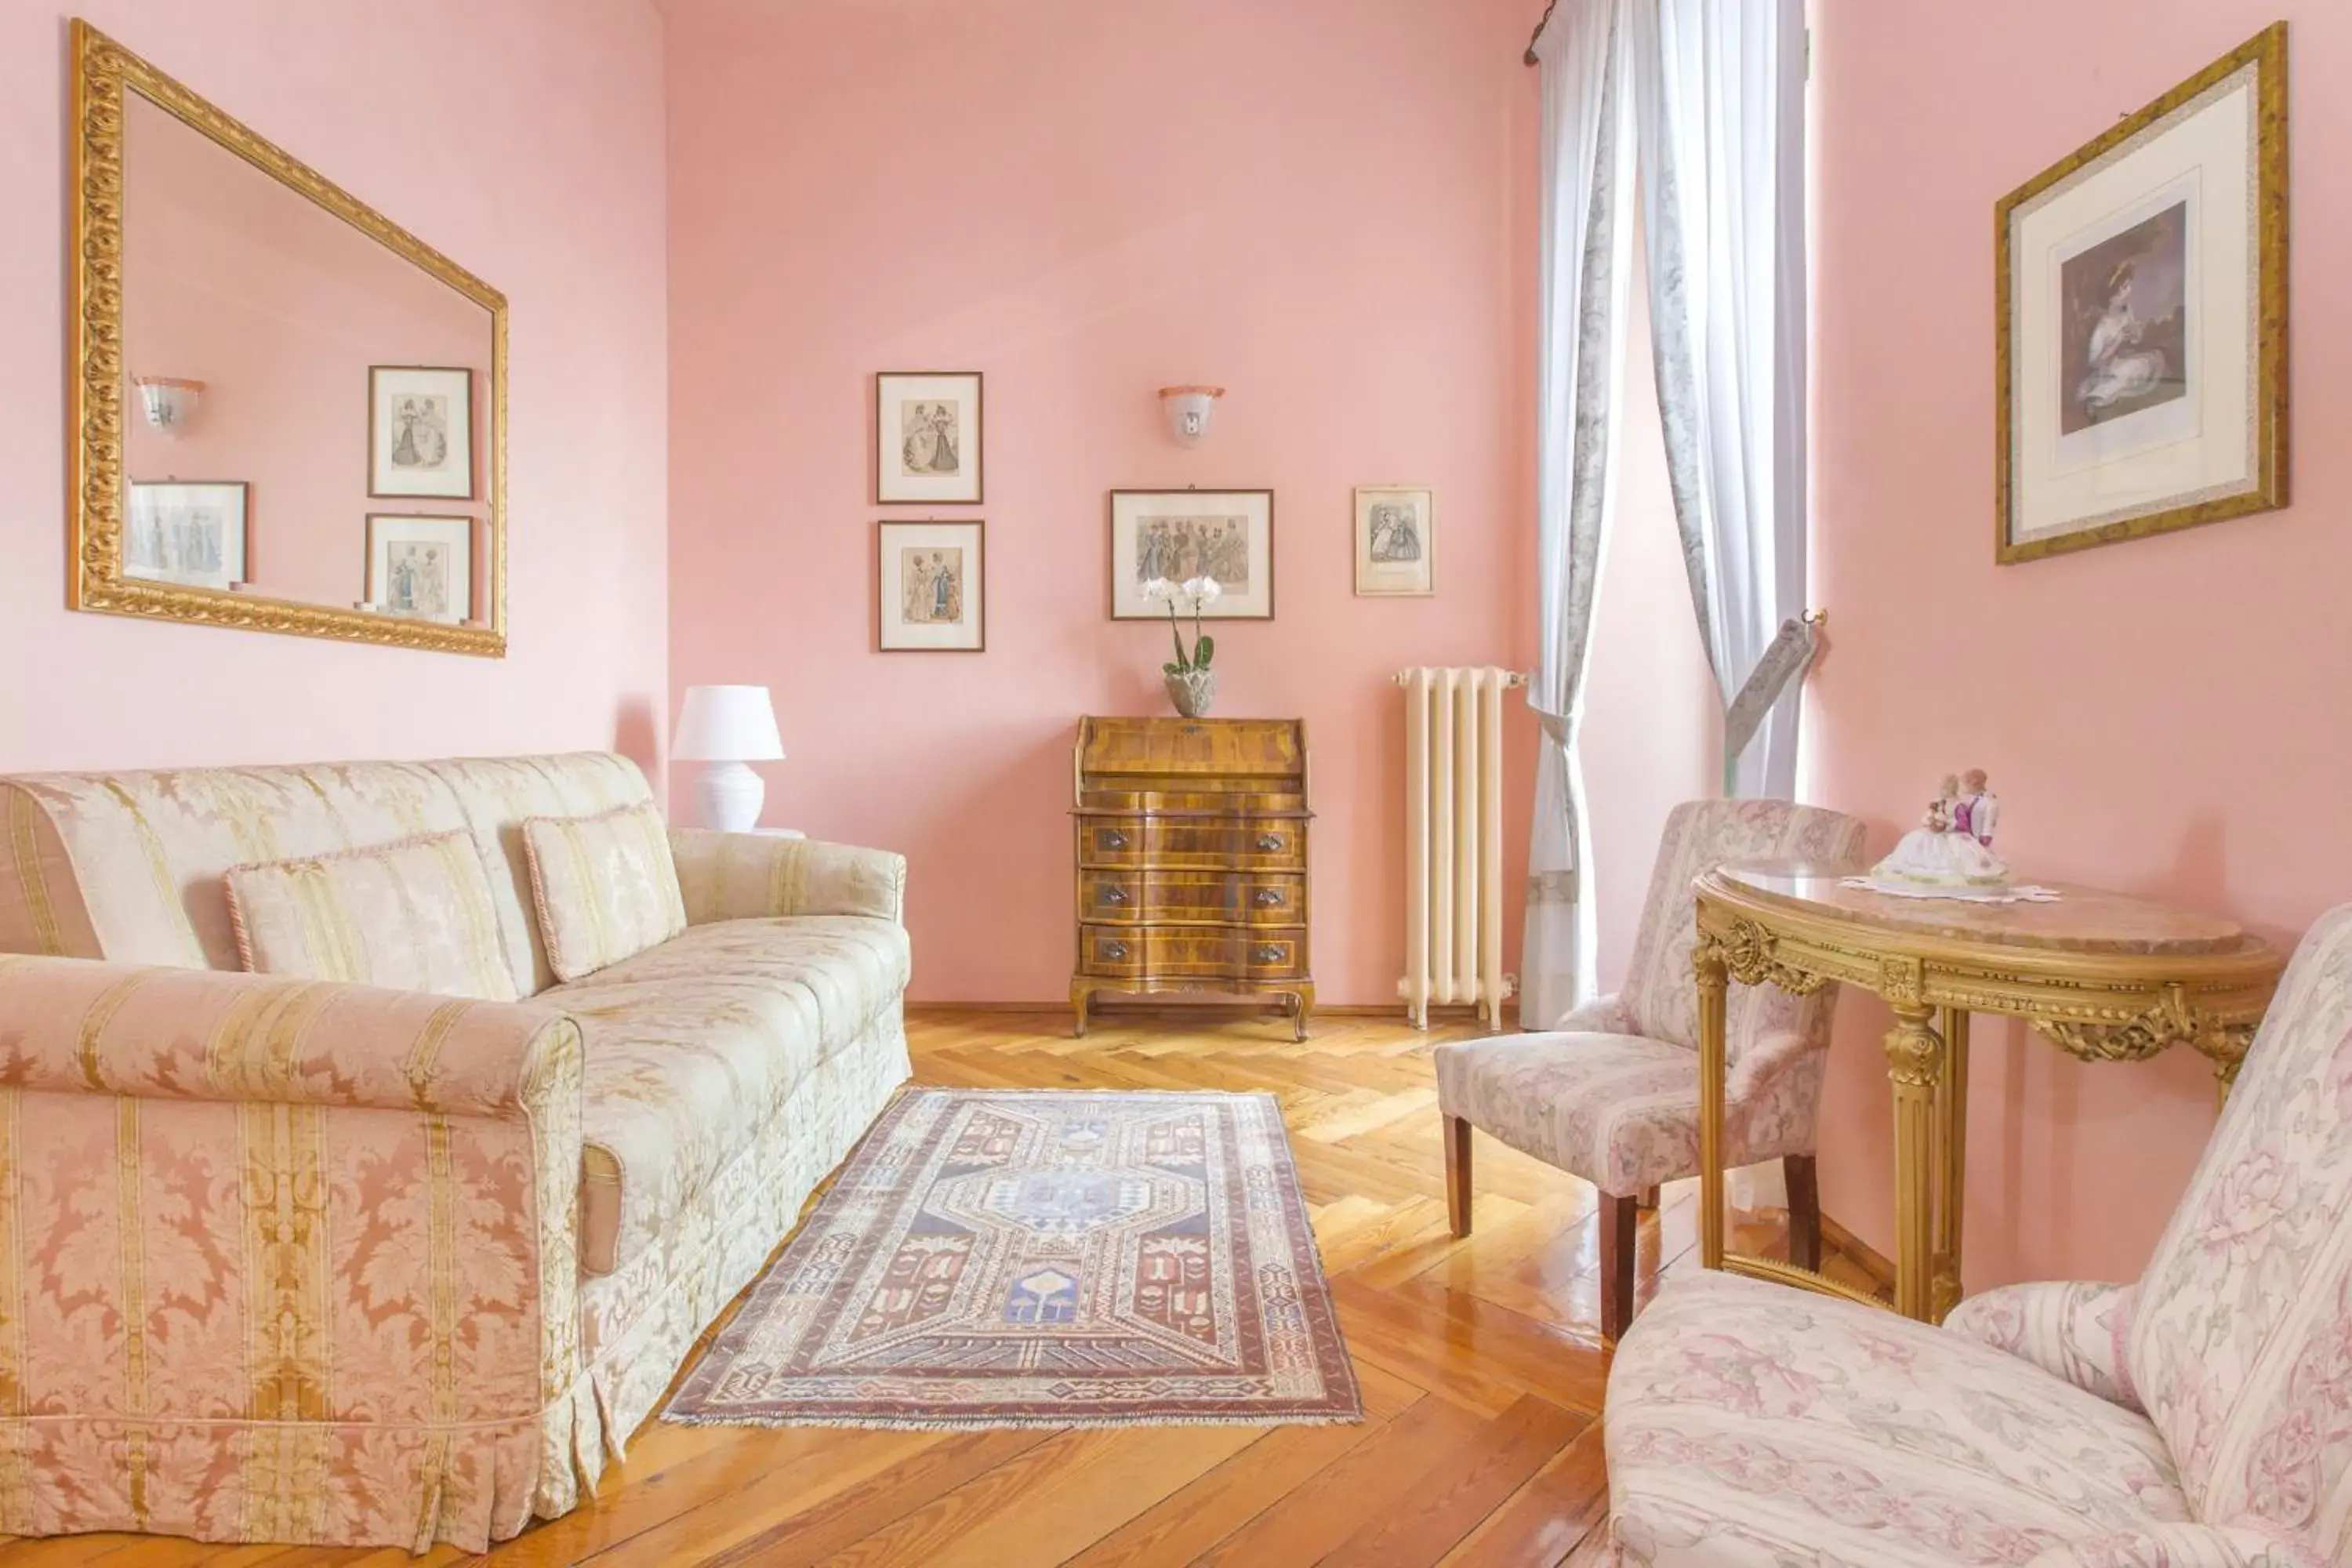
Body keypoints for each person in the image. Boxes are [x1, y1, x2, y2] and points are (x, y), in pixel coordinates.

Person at [2077, 260, 2169, 417]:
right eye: (2124, 288)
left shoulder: (2126, 312)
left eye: (2129, 285)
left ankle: (2115, 390)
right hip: (2107, 370)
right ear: (2112, 298)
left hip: (2125, 360)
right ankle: (2097, 397)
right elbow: (2095, 362)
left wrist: (2135, 334)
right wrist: (2116, 343)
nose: (2130, 290)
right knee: (2127, 372)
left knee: (2151, 361)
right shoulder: (2102, 328)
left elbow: (2135, 338)